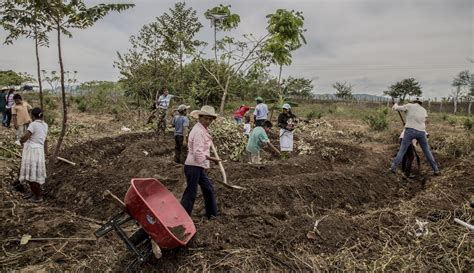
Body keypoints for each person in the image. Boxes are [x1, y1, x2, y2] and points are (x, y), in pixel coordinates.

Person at [181, 105, 220, 220]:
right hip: (194, 166)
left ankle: (212, 215)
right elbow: (198, 153)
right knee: (191, 193)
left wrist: (208, 161)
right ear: (200, 117)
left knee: (208, 188)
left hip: (197, 166)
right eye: (205, 118)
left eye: (210, 119)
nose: (208, 121)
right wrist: (212, 160)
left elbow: (200, 151)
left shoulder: (202, 130)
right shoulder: (198, 131)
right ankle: (183, 218)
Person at [390, 98, 440, 176]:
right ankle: (436, 169)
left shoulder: (409, 106)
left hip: (410, 130)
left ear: (414, 101)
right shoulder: (424, 110)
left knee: (402, 150)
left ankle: (393, 168)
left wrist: (395, 104)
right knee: (427, 152)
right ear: (421, 103)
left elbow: (396, 108)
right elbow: (423, 120)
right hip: (421, 132)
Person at [19, 107, 48, 203]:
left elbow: (24, 137)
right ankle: (34, 193)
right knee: (35, 173)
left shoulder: (33, 124)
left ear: (32, 116)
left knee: (32, 174)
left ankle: (38, 196)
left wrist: (20, 140)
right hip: (39, 150)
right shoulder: (45, 125)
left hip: (32, 151)